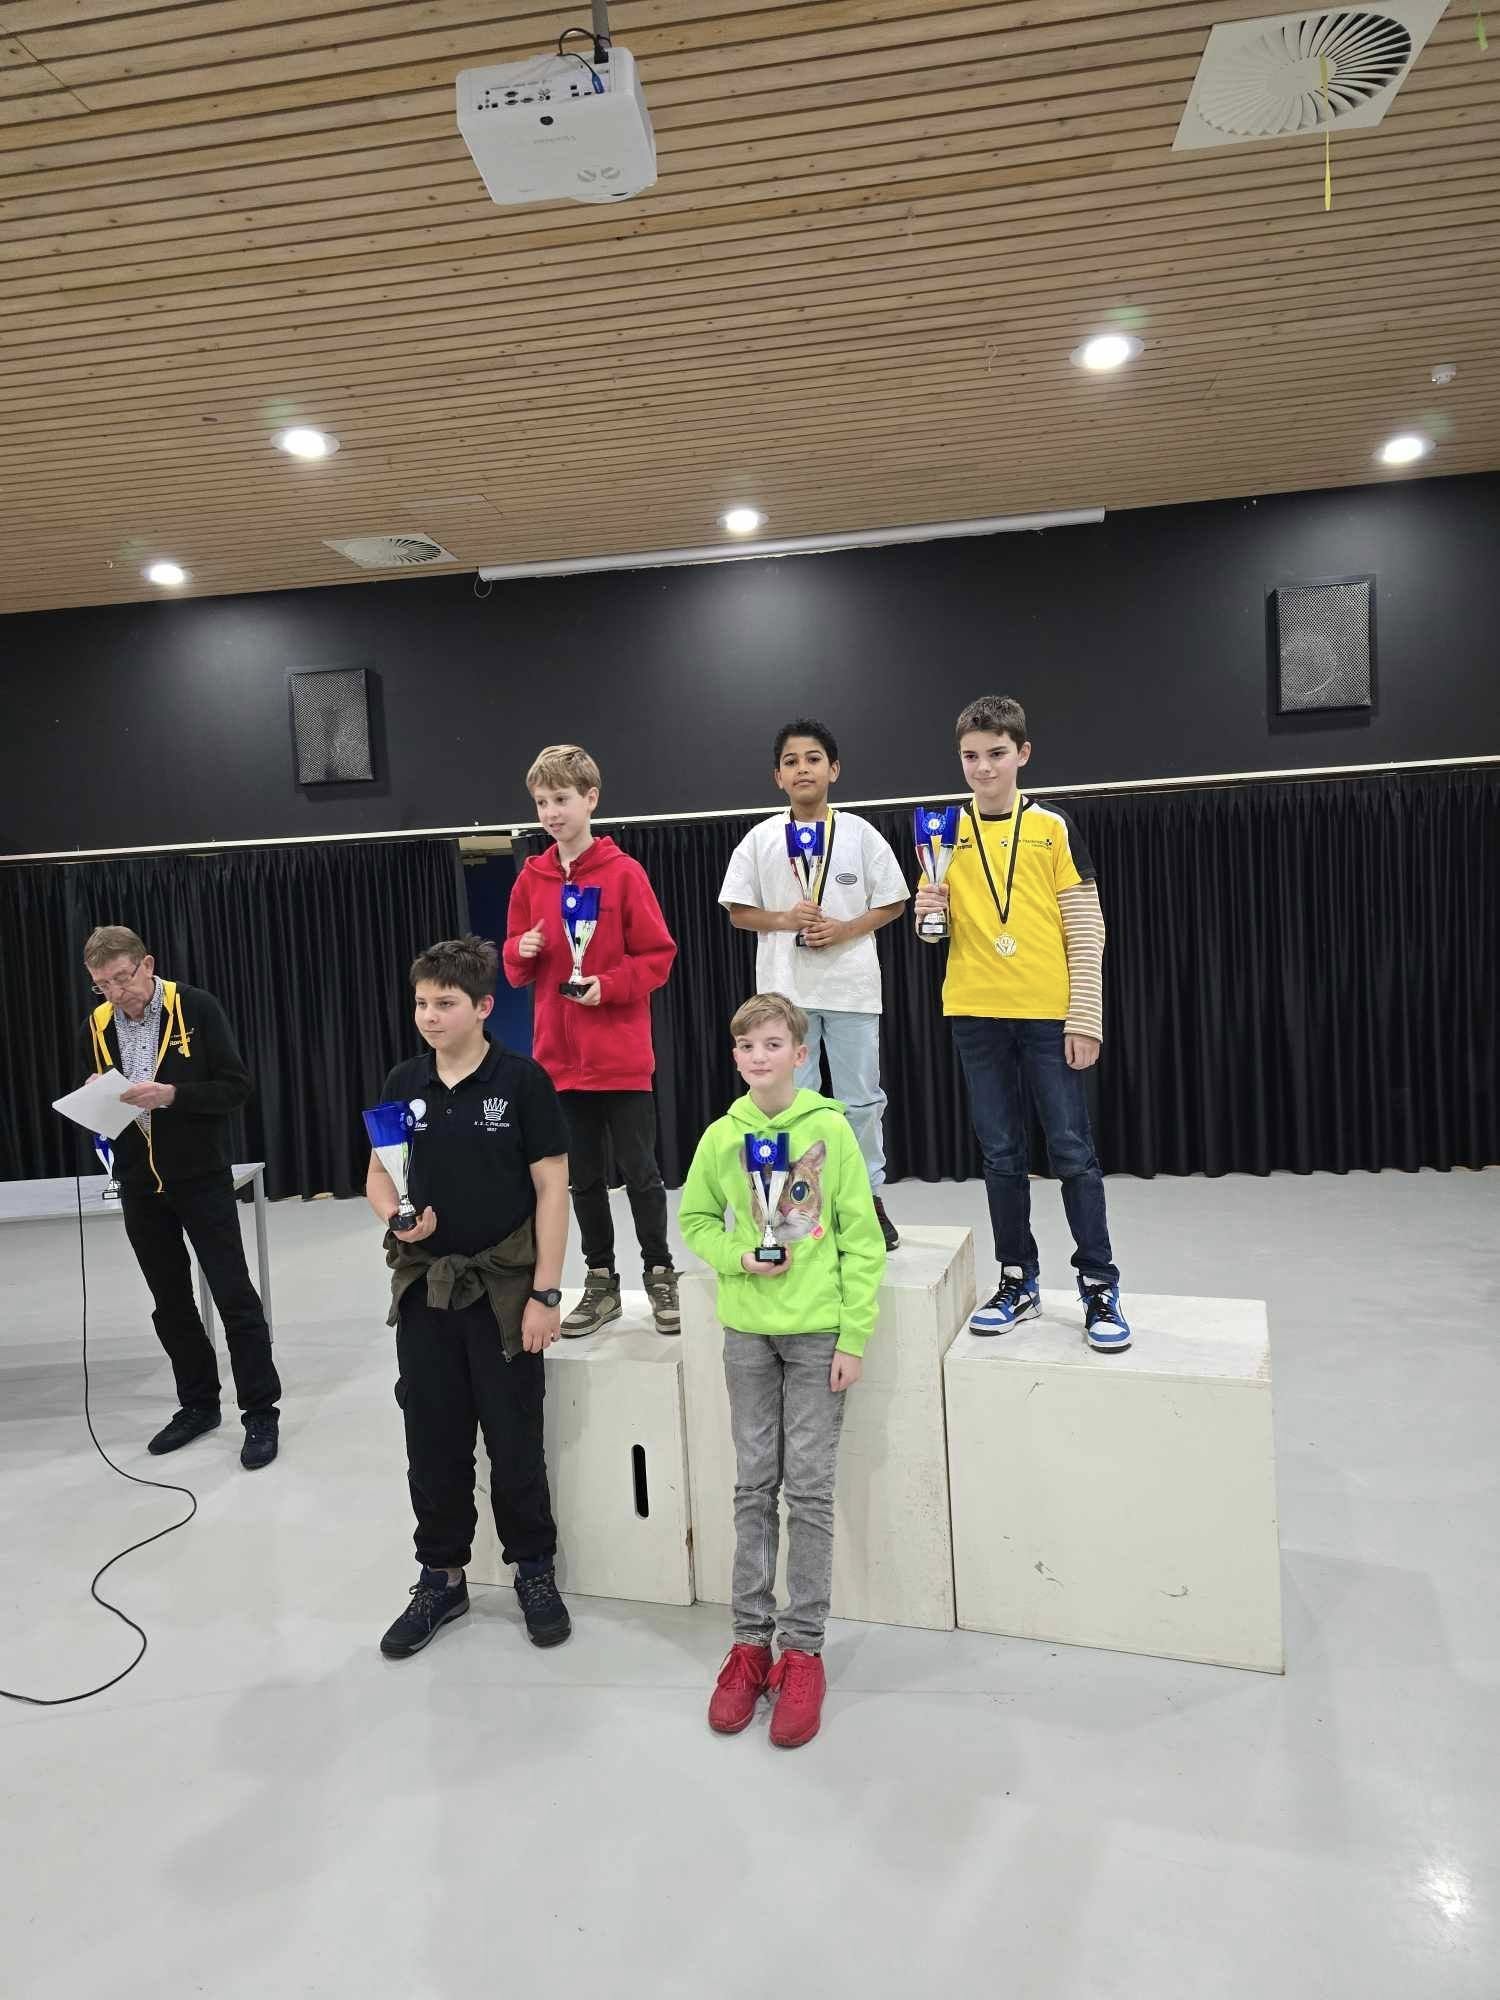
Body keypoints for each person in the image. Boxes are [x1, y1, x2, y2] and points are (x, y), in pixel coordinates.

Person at [679, 991, 885, 1749]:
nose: (758, 1057)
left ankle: (803, 1652)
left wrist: (853, 1336)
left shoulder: (830, 1129)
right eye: (746, 1046)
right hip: (747, 1333)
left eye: (773, 1045)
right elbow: (696, 1219)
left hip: (817, 1333)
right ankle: (749, 1646)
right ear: (734, 1057)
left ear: (800, 1054)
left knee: (810, 1491)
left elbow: (860, 1237)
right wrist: (739, 1257)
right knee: (752, 1486)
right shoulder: (720, 1137)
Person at [368, 934, 573, 1660]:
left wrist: (546, 1292)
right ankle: (441, 1577)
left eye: (446, 1003)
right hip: (426, 1292)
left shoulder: (522, 1082)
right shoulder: (403, 1081)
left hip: (505, 1291)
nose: (430, 1016)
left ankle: (534, 1571)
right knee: (432, 1438)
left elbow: (552, 1189)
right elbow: (379, 1174)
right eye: (422, 1003)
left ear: (484, 1007)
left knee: (514, 1438)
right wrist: (397, 1218)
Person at [913, 695, 1131, 1352]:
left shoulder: (1052, 827)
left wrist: (1084, 1016)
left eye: (996, 754)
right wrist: (928, 912)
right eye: (970, 756)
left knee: (1072, 1152)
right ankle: (1018, 1279)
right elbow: (934, 935)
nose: (983, 767)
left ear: (1023, 754)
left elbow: (1086, 927)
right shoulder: (940, 831)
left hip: (1046, 1013)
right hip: (975, 1012)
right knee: (1001, 1154)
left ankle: (1098, 1283)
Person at [77, 925, 282, 1468]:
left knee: (233, 1295)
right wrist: (97, 1102)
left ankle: (260, 1411)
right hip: (139, 1185)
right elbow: (100, 1097)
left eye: (123, 978)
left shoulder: (196, 1007)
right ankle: (198, 1404)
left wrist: (172, 1095)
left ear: (147, 964)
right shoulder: (97, 1025)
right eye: (102, 984)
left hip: (200, 1177)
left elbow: (236, 1087)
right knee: (170, 1303)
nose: (116, 992)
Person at [503, 743, 680, 1338]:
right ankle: (600, 1280)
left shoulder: (624, 873)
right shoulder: (530, 879)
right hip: (558, 1064)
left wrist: (609, 986)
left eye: (561, 799)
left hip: (621, 1058)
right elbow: (515, 969)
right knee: (579, 1179)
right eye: (541, 802)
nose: (551, 812)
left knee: (641, 1173)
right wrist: (520, 950)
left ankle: (659, 1271)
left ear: (591, 800)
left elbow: (657, 957)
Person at [718, 718, 908, 1252]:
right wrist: (785, 919)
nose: (803, 769)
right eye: (791, 761)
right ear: (778, 777)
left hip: (851, 990)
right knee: (790, 1102)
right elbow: (738, 911)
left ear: (834, 769)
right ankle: (789, 1203)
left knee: (861, 1102)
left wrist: (844, 929)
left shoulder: (860, 834)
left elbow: (894, 901)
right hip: (786, 998)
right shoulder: (760, 839)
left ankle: (867, 1198)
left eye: (813, 759)